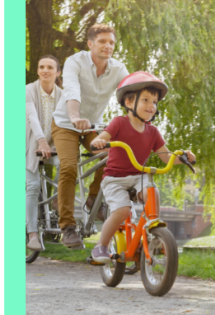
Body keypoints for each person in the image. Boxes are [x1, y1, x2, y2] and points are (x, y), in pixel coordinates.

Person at [88, 72, 195, 262]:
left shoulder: (153, 132)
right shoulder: (119, 123)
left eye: (154, 102)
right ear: (129, 102)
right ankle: (101, 245)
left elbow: (166, 156)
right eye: (145, 100)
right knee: (122, 210)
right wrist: (99, 141)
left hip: (139, 176)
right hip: (115, 178)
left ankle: (154, 232)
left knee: (152, 193)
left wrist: (183, 157)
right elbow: (103, 138)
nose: (151, 106)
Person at [50, 23, 130, 248]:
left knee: (113, 155)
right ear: (90, 44)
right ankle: (67, 227)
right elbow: (72, 90)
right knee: (68, 167)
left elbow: (130, 91)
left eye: (111, 42)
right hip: (66, 123)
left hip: (92, 126)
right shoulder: (75, 62)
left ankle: (93, 200)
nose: (108, 46)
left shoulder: (118, 68)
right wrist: (75, 117)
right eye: (102, 41)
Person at [26, 55, 63, 251]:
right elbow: (32, 116)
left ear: (58, 72)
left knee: (67, 167)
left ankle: (57, 199)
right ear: (38, 70)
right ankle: (32, 234)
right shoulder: (28, 90)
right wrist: (41, 141)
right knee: (33, 186)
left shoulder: (62, 95)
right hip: (29, 144)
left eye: (50, 67)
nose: (45, 70)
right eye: (41, 67)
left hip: (53, 145)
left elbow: (65, 122)